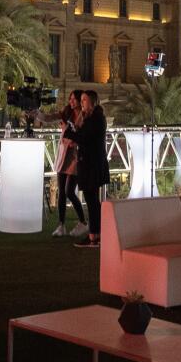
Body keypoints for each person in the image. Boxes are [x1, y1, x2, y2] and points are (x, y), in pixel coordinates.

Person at [72, 89, 110, 250]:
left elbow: (84, 138)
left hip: (92, 165)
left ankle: (94, 236)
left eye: (84, 100)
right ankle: (96, 234)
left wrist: (69, 132)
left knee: (92, 202)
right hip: (91, 164)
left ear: (93, 102)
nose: (82, 103)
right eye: (81, 100)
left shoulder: (95, 119)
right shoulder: (92, 118)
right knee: (92, 201)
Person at [52, 93, 86, 237]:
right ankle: (61, 225)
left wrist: (69, 131)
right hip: (63, 155)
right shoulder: (67, 113)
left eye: (74, 99)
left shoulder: (84, 116)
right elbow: (51, 117)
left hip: (74, 157)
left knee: (69, 192)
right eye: (70, 99)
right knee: (61, 193)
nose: (71, 101)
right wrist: (38, 114)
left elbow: (81, 136)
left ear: (79, 101)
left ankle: (83, 222)